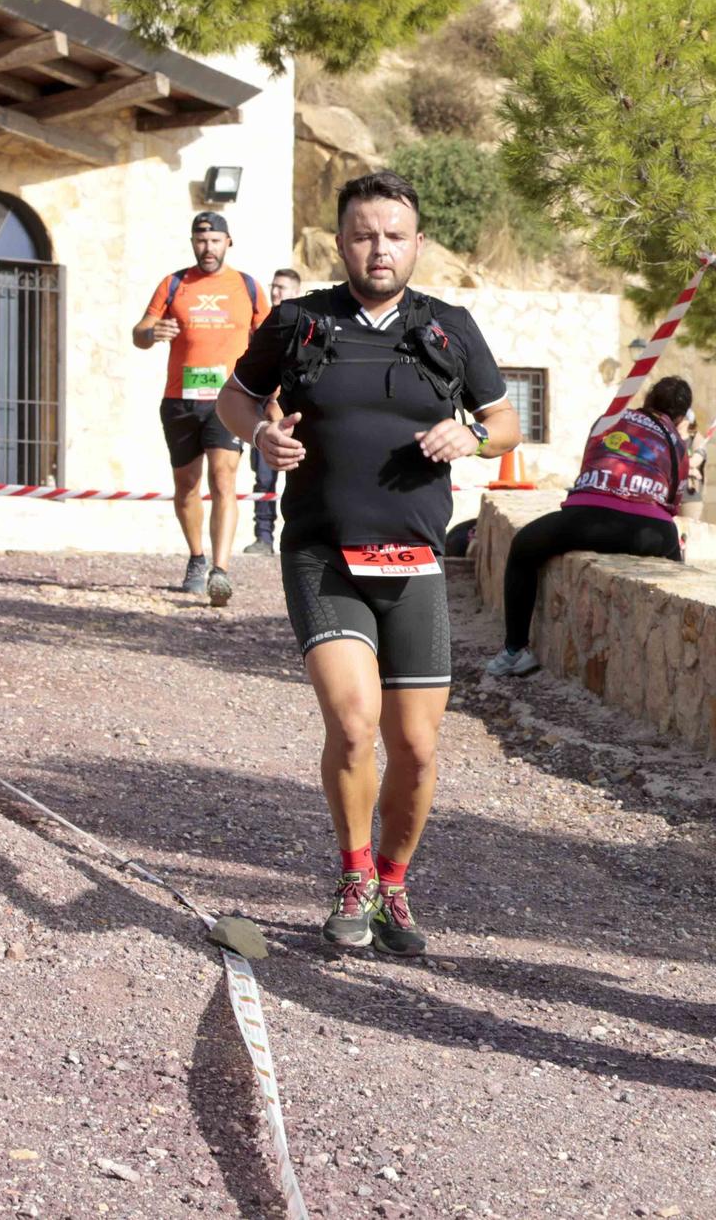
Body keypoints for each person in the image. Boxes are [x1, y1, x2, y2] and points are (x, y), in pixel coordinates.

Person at [216, 171, 521, 958]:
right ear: (340, 242)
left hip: (415, 560)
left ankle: (393, 879)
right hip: (323, 552)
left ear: (418, 244)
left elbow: (505, 420)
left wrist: (473, 439)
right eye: (362, 233)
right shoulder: (298, 322)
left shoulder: (449, 327)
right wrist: (262, 437)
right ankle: (352, 875)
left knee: (416, 747)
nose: (378, 247)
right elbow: (233, 400)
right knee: (353, 724)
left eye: (393, 234)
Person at [484, 376, 693, 678]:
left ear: (647, 399)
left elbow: (589, 465)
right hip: (651, 529)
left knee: (522, 548)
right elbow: (674, 502)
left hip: (587, 519)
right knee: (677, 571)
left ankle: (515, 650)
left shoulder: (609, 419)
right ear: (681, 416)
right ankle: (679, 660)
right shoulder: (677, 442)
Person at [132, 211, 270, 603]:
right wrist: (151, 332)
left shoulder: (246, 286)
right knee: (186, 485)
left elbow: (268, 339)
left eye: (214, 241)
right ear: (193, 243)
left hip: (229, 400)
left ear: (228, 242)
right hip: (180, 399)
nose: (206, 248)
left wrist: (269, 393)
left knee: (224, 480)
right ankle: (197, 557)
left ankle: (220, 570)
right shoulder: (175, 283)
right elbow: (139, 332)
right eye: (200, 241)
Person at [245, 267, 304, 556]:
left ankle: (301, 541)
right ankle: (263, 538)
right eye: (274, 287)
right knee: (264, 480)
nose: (276, 292)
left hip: (296, 417)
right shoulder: (261, 327)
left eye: (282, 288)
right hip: (266, 417)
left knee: (303, 481)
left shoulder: (305, 327)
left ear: (296, 292)